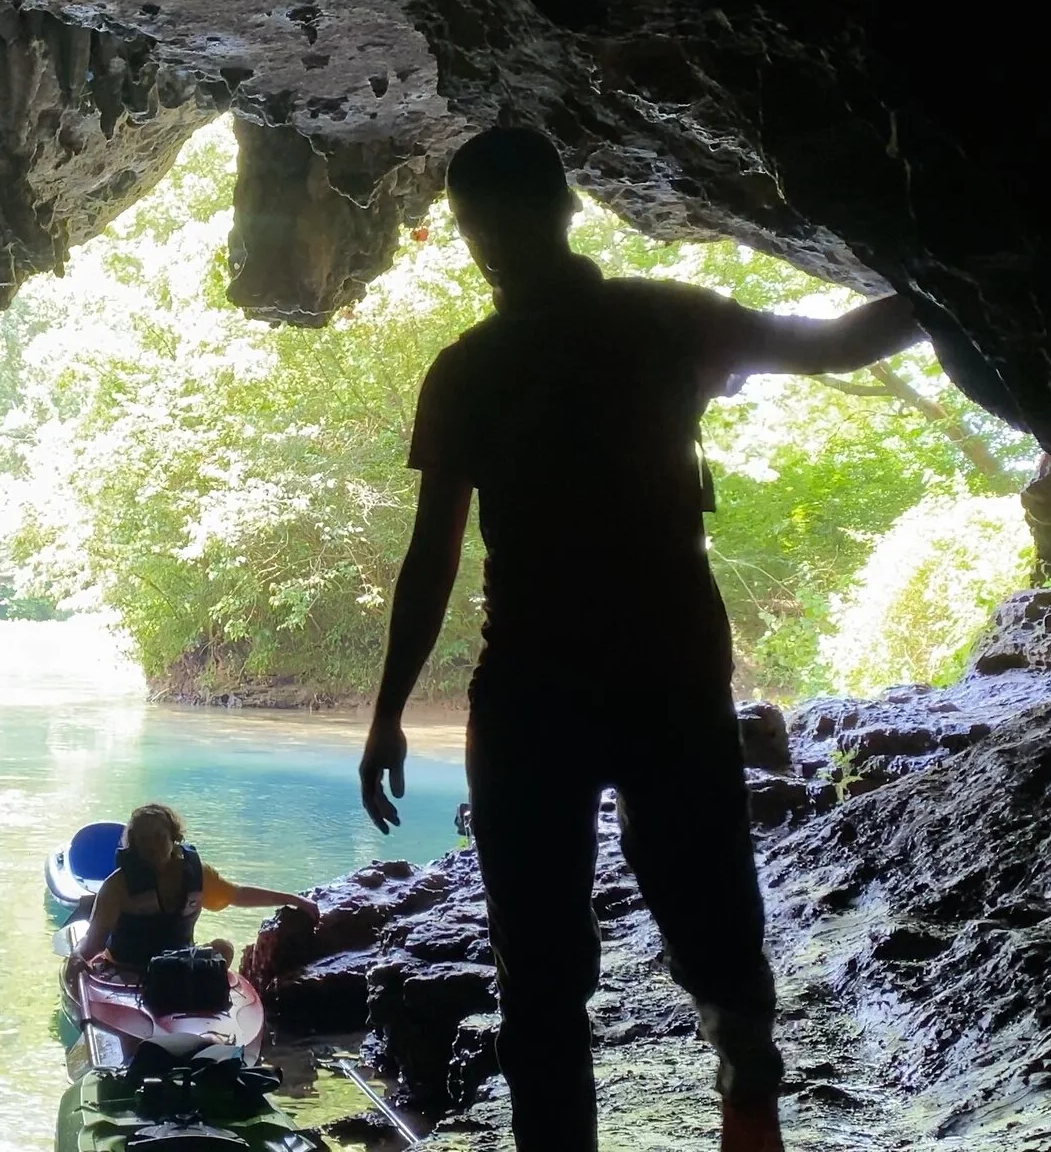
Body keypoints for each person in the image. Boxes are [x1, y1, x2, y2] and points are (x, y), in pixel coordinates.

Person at [357, 128, 926, 1152]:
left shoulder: (480, 366)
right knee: (690, 937)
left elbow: (433, 554)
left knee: (572, 969)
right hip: (646, 679)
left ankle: (727, 1110)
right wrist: (955, 288)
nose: (491, 245)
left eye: (495, 223)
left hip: (555, 693)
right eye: (481, 227)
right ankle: (743, 1107)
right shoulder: (657, 320)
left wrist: (391, 710)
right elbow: (838, 343)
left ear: (542, 215)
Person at [75, 803, 319, 968]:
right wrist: (78, 959)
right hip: (127, 968)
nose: (152, 846)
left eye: (159, 837)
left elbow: (238, 895)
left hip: (177, 965)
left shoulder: (196, 874)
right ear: (134, 845)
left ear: (174, 838)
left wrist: (294, 899)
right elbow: (94, 943)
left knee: (223, 949)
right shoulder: (117, 886)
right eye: (143, 839)